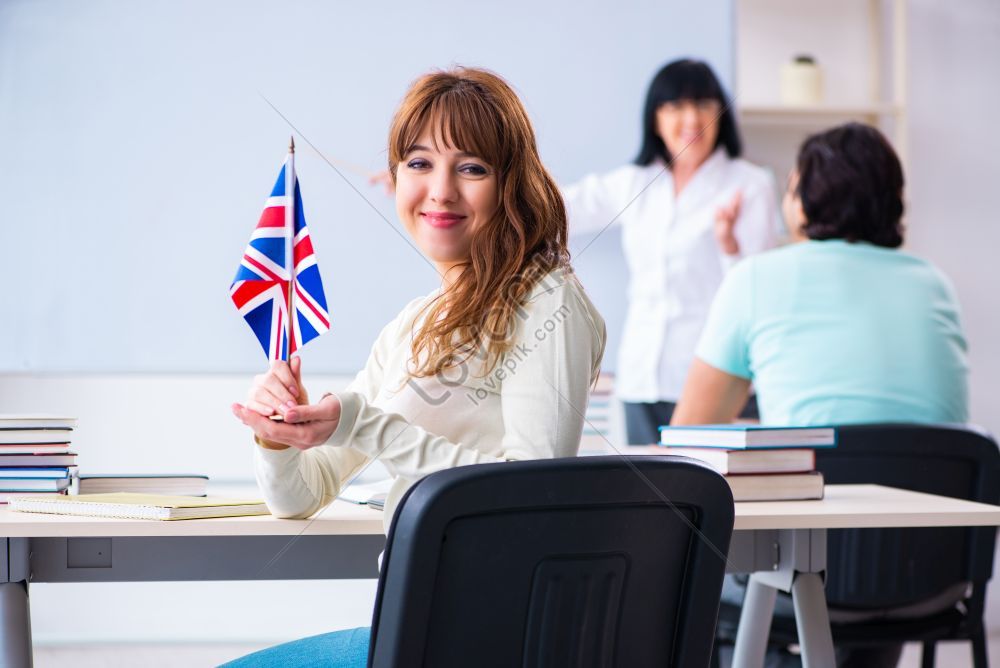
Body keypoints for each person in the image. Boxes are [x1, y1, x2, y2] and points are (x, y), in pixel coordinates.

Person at [224, 67, 606, 668]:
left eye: (472, 167)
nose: (441, 190)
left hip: (484, 637)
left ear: (511, 184)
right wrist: (276, 436)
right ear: (395, 177)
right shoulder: (412, 324)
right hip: (413, 623)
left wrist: (361, 423)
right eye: (420, 163)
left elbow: (534, 495)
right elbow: (298, 499)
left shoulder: (546, 299)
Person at [673, 122, 968, 668]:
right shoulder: (935, 284)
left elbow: (690, 434)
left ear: (803, 201)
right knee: (866, 552)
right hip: (936, 577)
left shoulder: (757, 279)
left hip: (812, 578)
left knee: (712, 575)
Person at [562, 59, 782, 444]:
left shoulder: (749, 184)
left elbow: (757, 294)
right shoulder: (637, 182)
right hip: (642, 377)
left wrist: (728, 245)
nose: (691, 119)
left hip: (713, 378)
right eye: (675, 106)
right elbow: (562, 207)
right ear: (655, 118)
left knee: (715, 497)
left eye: (703, 105)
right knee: (646, 498)